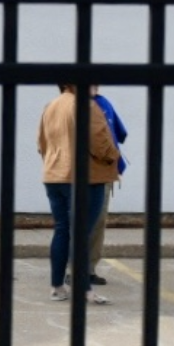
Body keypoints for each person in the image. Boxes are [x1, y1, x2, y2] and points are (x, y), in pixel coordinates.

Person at [37, 82, 122, 304]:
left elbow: (41, 144)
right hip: (85, 177)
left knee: (62, 230)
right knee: (82, 234)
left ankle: (57, 287)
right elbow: (99, 142)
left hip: (54, 175)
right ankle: (85, 289)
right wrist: (114, 157)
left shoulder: (51, 106)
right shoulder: (86, 106)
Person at [89, 88, 129, 286]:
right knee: (90, 222)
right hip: (93, 172)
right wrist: (113, 159)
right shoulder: (94, 105)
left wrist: (116, 164)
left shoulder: (103, 104)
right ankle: (80, 268)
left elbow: (117, 135)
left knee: (96, 221)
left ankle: (87, 268)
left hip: (100, 172)